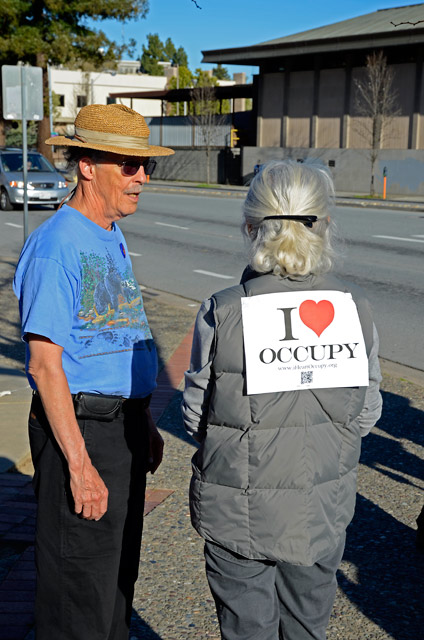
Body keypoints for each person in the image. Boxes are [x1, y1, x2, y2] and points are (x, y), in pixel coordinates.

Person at [182, 160, 383, 640]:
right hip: (320, 510)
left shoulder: (223, 311)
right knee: (308, 629)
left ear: (251, 226)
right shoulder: (354, 310)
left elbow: (195, 416)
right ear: (325, 224)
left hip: (235, 512)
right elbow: (368, 411)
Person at [13, 103, 174, 640]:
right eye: (129, 165)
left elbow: (115, 338)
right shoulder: (56, 245)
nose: (142, 178)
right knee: (77, 593)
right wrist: (80, 466)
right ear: (87, 166)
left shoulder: (108, 235)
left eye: (144, 166)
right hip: (81, 432)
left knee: (113, 588)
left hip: (120, 428)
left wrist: (143, 418)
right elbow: (44, 364)